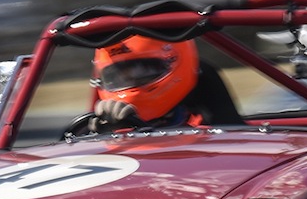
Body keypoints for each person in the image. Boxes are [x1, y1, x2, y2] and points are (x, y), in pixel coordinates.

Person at [87, 35, 238, 131]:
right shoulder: (98, 127)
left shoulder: (206, 127)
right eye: (119, 76)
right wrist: (108, 136)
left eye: (143, 71)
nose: (132, 81)